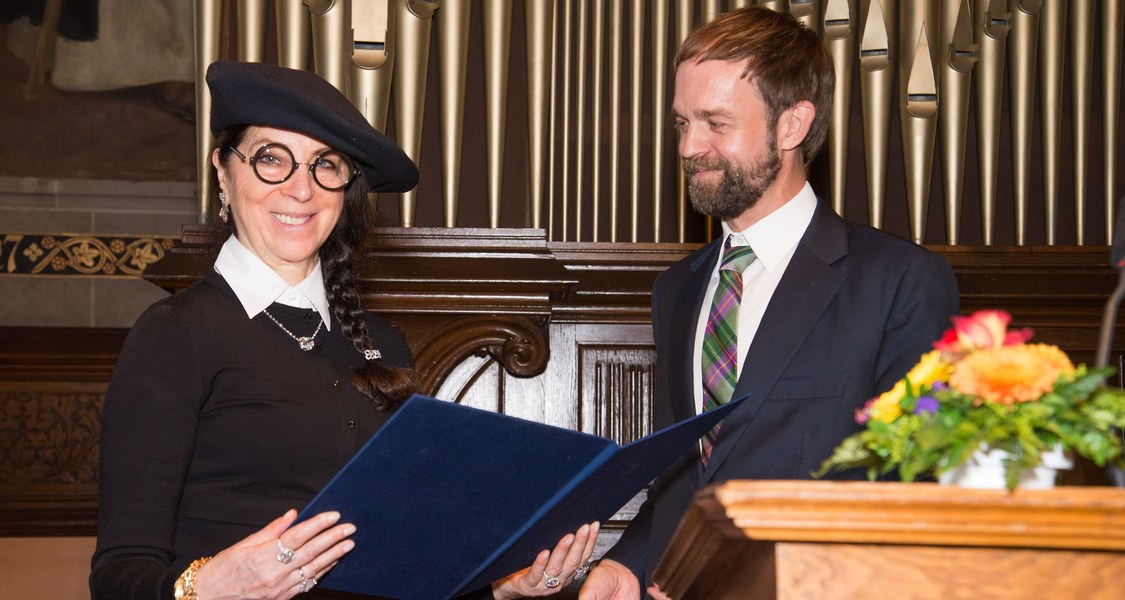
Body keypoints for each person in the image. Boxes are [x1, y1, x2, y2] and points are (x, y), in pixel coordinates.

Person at [90, 60, 597, 600]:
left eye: (324, 165)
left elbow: (403, 570)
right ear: (222, 170)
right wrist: (205, 587)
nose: (300, 189)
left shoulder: (382, 343)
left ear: (345, 187)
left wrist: (502, 589)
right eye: (271, 160)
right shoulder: (173, 336)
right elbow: (119, 577)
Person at [579, 7, 959, 600]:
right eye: (682, 122)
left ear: (792, 126)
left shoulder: (900, 282)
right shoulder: (676, 291)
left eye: (715, 122)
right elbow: (689, 478)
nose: (689, 146)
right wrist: (627, 564)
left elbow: (915, 490)